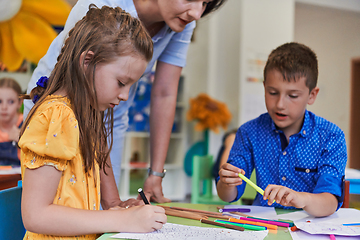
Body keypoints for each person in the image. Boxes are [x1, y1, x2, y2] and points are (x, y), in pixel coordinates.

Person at [23, 0, 227, 204]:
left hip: (109, 114)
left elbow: (165, 93)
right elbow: (39, 214)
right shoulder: (99, 6)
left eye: (205, 3)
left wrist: (153, 176)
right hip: (62, 106)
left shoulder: (183, 20)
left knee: (93, 203)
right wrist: (114, 206)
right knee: (62, 201)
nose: (198, 13)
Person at [18, 6, 166, 239]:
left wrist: (119, 206)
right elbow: (35, 215)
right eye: (121, 82)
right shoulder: (56, 116)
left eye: (131, 86)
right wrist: (121, 219)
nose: (125, 96)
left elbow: (106, 201)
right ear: (87, 61)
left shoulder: (86, 115)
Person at [216, 42, 347, 217]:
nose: (280, 105)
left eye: (292, 96)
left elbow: (330, 201)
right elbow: (228, 196)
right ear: (264, 88)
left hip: (309, 225)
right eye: (272, 93)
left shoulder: (331, 136)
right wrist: (227, 183)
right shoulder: (249, 132)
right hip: (262, 224)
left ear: (312, 95)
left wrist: (302, 199)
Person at [0, 77, 23, 166]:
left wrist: (24, 139)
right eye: (0, 101)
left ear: (19, 102)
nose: (4, 107)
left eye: (11, 102)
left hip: (21, 177)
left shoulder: (28, 124)